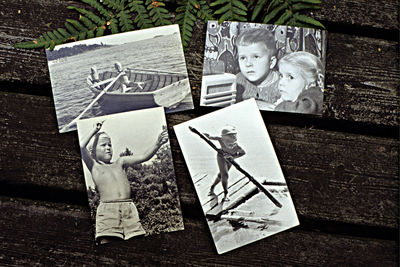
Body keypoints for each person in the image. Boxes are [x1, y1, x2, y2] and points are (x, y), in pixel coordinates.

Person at [80, 121, 168, 244]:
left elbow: (144, 156)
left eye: (109, 145)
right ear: (93, 151)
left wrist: (158, 143)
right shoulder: (94, 166)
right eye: (103, 145)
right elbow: (81, 147)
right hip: (107, 210)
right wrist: (94, 130)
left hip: (129, 209)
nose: (108, 148)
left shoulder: (120, 162)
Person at [235, 28, 280, 109]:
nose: (248, 64)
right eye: (243, 58)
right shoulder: (236, 81)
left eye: (256, 57)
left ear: (271, 62)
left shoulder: (284, 84)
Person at [204, 125, 246, 202]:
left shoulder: (237, 147)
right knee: (225, 175)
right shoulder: (221, 139)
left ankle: (212, 187)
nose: (230, 145)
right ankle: (226, 193)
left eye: (232, 143)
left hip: (230, 159)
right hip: (221, 157)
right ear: (223, 139)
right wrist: (207, 136)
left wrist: (233, 157)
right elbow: (210, 137)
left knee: (221, 175)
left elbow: (243, 153)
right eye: (227, 142)